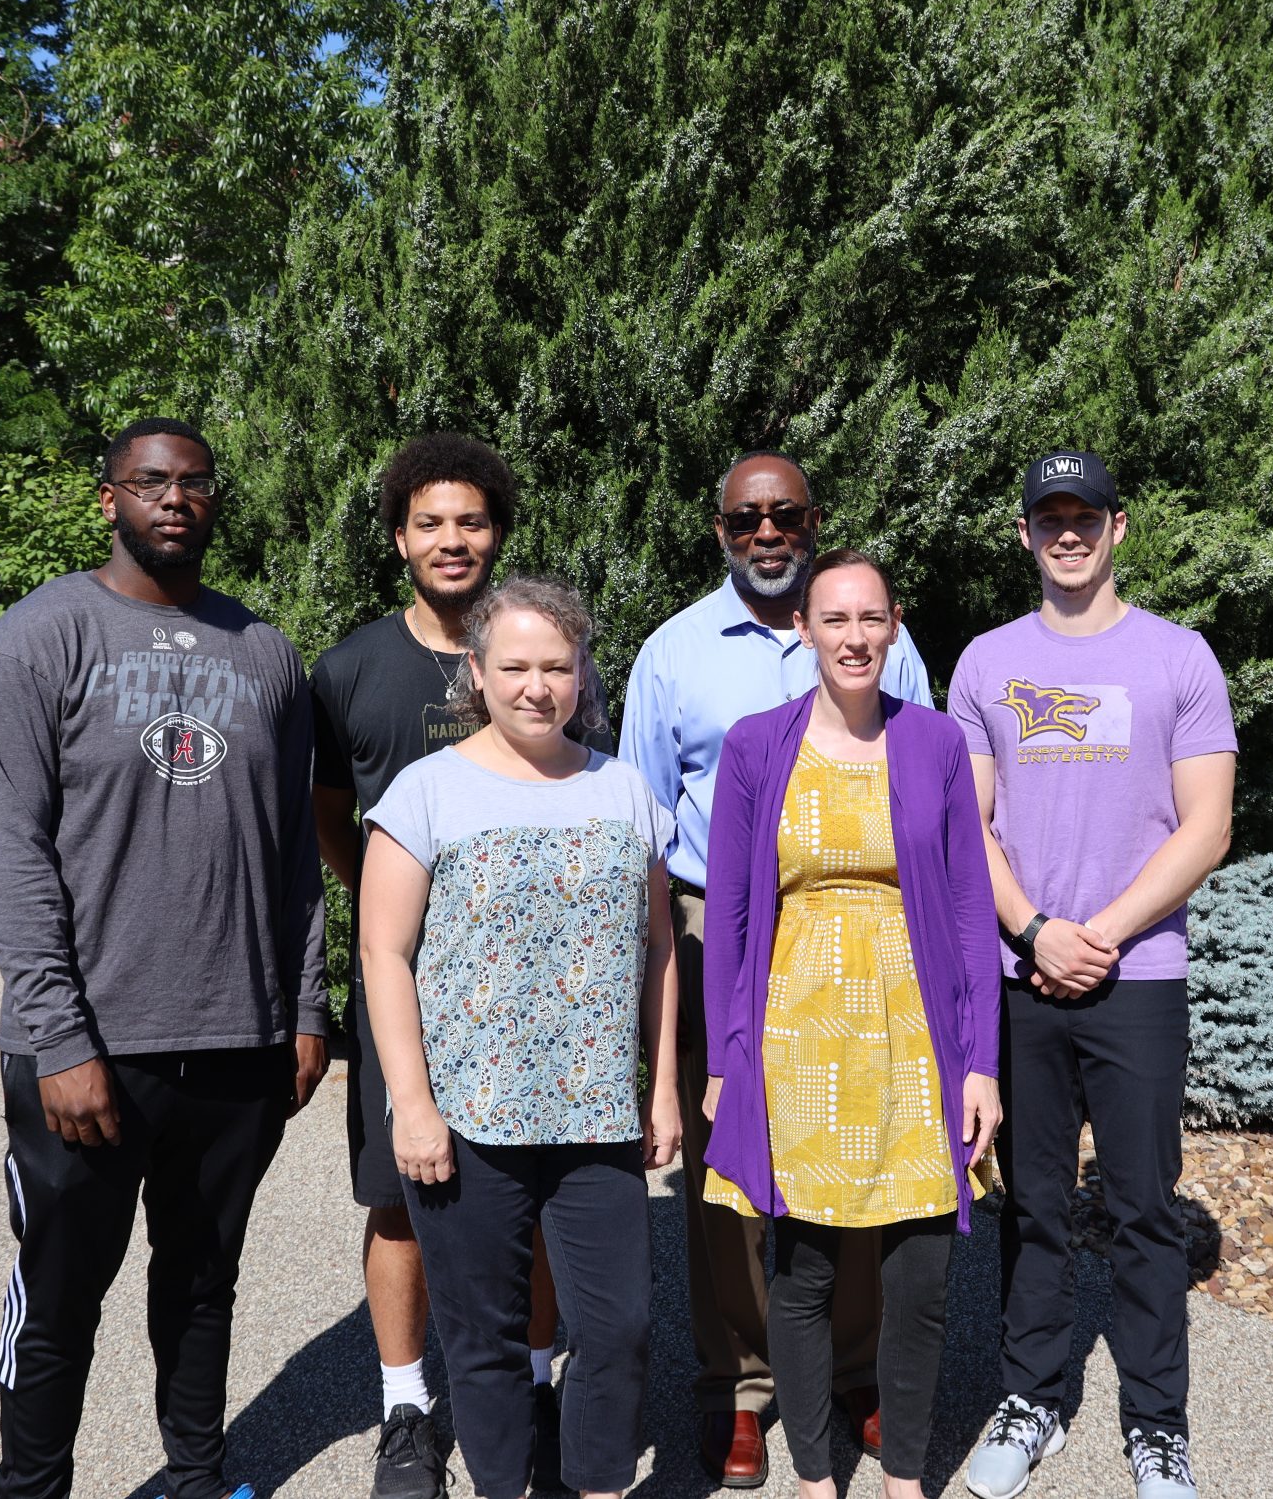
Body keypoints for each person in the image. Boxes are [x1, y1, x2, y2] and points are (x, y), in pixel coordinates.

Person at [0, 416, 330, 1499]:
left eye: (195, 482)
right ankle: (32, 1488)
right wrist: (59, 1037)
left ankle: (196, 1476)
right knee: (60, 1293)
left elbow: (292, 855)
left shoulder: (263, 651)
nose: (174, 498)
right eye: (150, 481)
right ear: (110, 498)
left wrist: (306, 1007)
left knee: (204, 1283)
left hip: (238, 1041)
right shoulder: (41, 637)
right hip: (90, 1049)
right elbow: (6, 854)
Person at [619, 452, 934, 1488]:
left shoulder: (883, 639)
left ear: (812, 522)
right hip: (720, 923)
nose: (767, 532)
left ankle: (851, 1369)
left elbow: (927, 778)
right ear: (720, 530)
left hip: (870, 927)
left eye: (786, 515)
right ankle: (742, 1385)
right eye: (748, 517)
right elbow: (645, 820)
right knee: (734, 1165)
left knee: (867, 1142)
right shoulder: (673, 653)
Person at [312, 434, 601, 1499]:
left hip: (538, 992)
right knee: (399, 1197)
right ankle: (405, 1410)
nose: (451, 539)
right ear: (398, 538)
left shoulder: (551, 657)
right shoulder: (350, 671)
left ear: (497, 534)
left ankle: (533, 1383)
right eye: (429, 522)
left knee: (535, 1197)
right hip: (408, 986)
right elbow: (329, 815)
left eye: (471, 521)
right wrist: (393, 905)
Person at [357, 576, 683, 1499]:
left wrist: (660, 1088)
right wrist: (413, 1107)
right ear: (477, 671)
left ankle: (595, 1484)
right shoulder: (427, 791)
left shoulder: (625, 789)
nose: (537, 686)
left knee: (617, 1328)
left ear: (582, 672)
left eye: (556, 666)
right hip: (468, 1118)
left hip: (596, 1117)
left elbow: (659, 947)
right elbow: (384, 952)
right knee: (484, 1339)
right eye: (515, 667)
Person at [951, 452, 1237, 1499]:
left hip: (1139, 973)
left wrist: (1099, 935)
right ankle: (1031, 1400)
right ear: (1024, 534)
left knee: (1143, 1207)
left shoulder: (1178, 658)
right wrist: (1034, 932)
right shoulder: (985, 662)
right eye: (1048, 518)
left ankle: (1158, 1427)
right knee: (1032, 1202)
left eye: (1084, 516)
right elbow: (969, 824)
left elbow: (1207, 826)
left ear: (1118, 526)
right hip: (1022, 973)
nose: (1066, 533)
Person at [699, 550, 1003, 1499]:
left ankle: (905, 1474)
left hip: (917, 1037)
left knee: (920, 1275)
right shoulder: (757, 745)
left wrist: (981, 1063)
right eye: (834, 619)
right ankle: (815, 1476)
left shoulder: (936, 741)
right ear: (804, 629)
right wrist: (726, 1061)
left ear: (895, 625)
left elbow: (970, 910)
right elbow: (730, 916)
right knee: (804, 1272)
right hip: (796, 1037)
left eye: (871, 618)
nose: (855, 637)